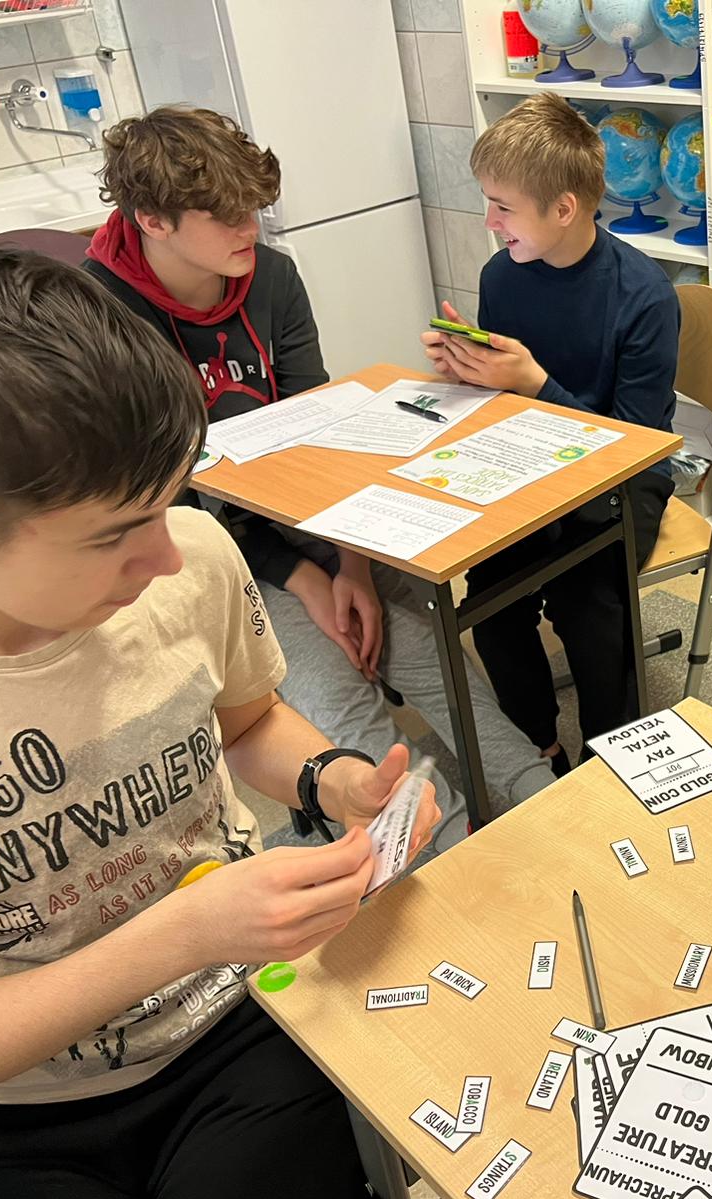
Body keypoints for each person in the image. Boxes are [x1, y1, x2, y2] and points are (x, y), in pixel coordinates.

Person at [0, 239, 444, 1197]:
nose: (167, 560)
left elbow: (245, 723)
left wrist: (329, 779)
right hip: (0, 1102)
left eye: (169, 507)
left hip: (234, 1019)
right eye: (116, 535)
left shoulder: (194, 556)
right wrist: (185, 933)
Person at [84, 105, 555, 829]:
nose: (250, 229)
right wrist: (305, 577)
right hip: (213, 558)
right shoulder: (99, 318)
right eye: (226, 216)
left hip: (318, 518)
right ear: (153, 221)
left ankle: (544, 800)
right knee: (342, 707)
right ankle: (447, 849)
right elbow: (171, 509)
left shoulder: (271, 276)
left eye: (254, 209)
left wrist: (353, 565)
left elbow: (327, 435)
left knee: (428, 655)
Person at [420, 94, 680, 768]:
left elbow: (635, 447)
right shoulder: (502, 276)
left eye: (502, 207)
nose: (489, 221)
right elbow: (506, 400)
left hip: (623, 479)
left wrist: (535, 383)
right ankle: (538, 747)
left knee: (590, 603)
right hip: (531, 465)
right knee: (491, 596)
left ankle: (613, 760)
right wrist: (469, 369)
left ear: (563, 209)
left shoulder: (644, 297)